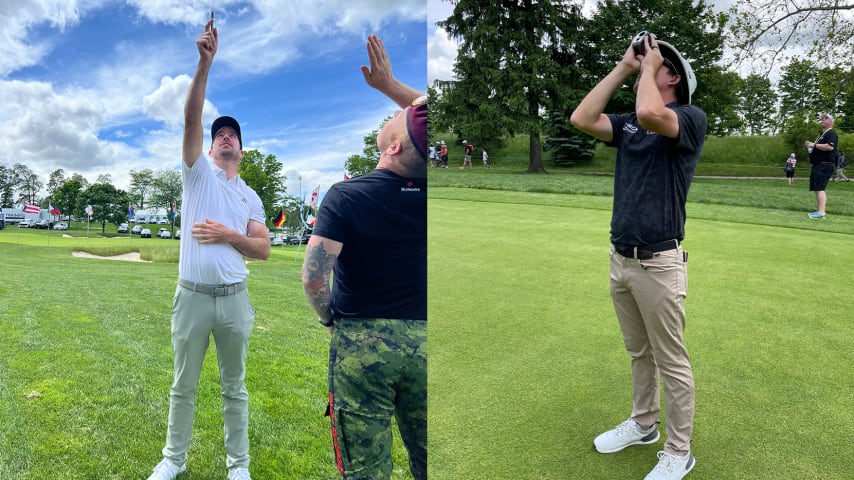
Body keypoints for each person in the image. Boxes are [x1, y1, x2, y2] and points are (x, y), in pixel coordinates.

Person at [570, 32, 705, 480]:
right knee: (638, 352)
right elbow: (583, 117)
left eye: (658, 62)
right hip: (621, 259)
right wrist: (626, 67)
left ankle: (679, 450)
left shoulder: (688, 117)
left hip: (659, 261)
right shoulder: (629, 123)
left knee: (672, 360)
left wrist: (647, 68)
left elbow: (652, 113)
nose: (648, 62)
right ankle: (644, 424)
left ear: (674, 77)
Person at [146, 18, 270, 480]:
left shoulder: (250, 195)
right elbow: (191, 118)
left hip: (235, 299)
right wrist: (204, 63)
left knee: (235, 389)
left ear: (242, 148)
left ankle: (238, 467)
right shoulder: (197, 174)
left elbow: (263, 249)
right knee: (184, 386)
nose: (224, 135)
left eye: (232, 134)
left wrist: (227, 236)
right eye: (220, 132)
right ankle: (172, 461)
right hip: (192, 297)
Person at [301, 34, 427, 480]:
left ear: (393, 146)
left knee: (365, 469)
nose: (399, 111)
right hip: (430, 339)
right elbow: (432, 113)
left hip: (362, 342)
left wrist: (328, 318)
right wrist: (391, 87)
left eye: (398, 117)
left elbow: (314, 280)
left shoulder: (345, 196)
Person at [804, 113, 838, 218]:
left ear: (831, 122)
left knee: (820, 188)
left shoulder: (831, 133)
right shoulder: (822, 135)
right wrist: (811, 147)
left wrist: (814, 145)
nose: (822, 119)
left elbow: (829, 147)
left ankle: (821, 212)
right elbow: (818, 147)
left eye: (826, 118)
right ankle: (819, 211)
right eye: (822, 118)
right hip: (818, 165)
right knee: (817, 188)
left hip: (825, 164)